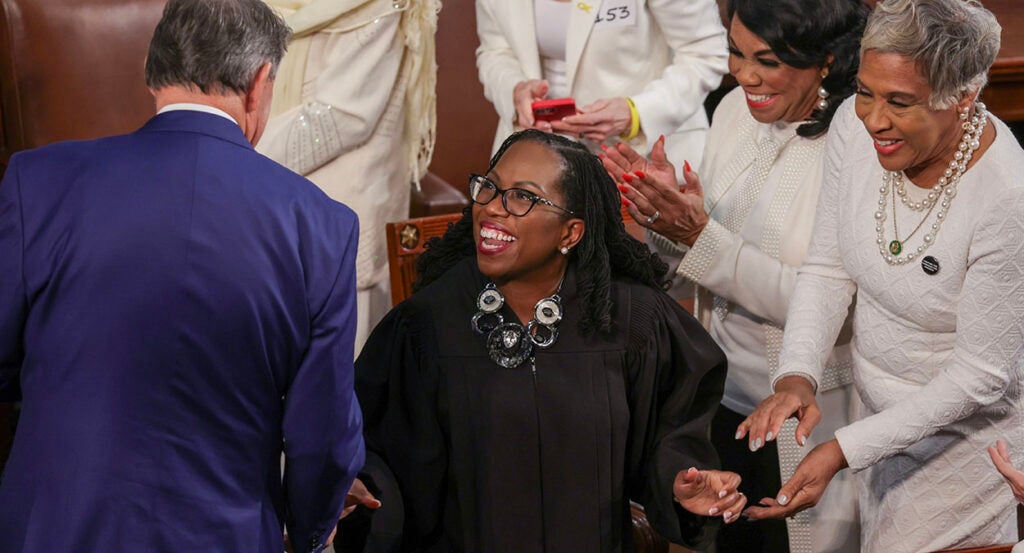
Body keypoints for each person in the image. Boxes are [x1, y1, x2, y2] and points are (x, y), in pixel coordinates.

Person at [0, 0, 365, 551]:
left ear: (153, 69)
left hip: (53, 529)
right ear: (260, 82)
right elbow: (324, 439)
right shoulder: (322, 227)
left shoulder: (38, 182)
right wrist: (310, 530)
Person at [343, 129, 745, 552]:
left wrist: (683, 483)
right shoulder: (428, 324)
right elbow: (380, 453)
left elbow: (671, 437)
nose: (493, 209)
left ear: (570, 233)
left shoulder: (631, 322)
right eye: (490, 187)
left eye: (522, 197)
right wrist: (357, 486)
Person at [736, 0, 1024, 551]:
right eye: (866, 90)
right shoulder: (853, 127)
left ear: (962, 99)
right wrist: (798, 374)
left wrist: (843, 448)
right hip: (877, 416)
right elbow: (827, 264)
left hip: (964, 444)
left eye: (900, 101)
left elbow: (981, 377)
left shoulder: (1007, 197)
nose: (873, 118)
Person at [602, 1, 869, 551]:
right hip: (721, 404)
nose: (744, 75)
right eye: (735, 52)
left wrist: (701, 236)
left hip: (811, 419)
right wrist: (663, 220)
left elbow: (833, 312)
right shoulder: (732, 112)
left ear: (827, 59)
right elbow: (696, 279)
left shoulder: (859, 144)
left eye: (767, 60)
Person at [257, 0, 440, 351]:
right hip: (267, 207)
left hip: (342, 208)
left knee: (343, 376)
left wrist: (237, 152)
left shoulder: (381, 6)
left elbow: (344, 117)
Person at [475, 0, 728, 174]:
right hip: (534, 155)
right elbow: (495, 51)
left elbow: (706, 54)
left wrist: (636, 112)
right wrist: (514, 91)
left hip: (641, 157)